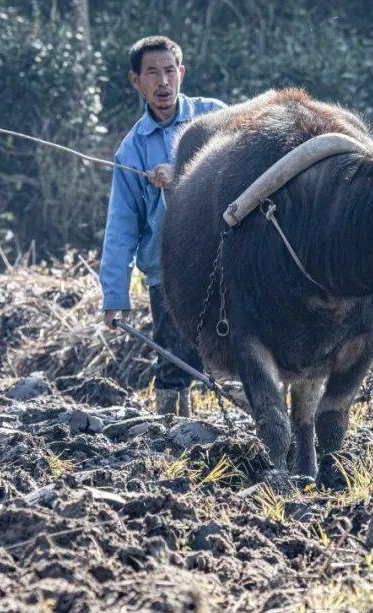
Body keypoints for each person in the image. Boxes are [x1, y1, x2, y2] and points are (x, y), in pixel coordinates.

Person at [99, 35, 226, 416]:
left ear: (182, 73)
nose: (163, 82)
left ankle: (264, 422)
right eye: (152, 73)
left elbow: (242, 171)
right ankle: (172, 433)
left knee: (245, 346)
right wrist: (115, 295)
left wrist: (183, 171)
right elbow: (121, 226)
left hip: (225, 261)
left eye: (169, 70)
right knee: (172, 360)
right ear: (135, 81)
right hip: (168, 271)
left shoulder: (216, 117)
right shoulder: (132, 150)